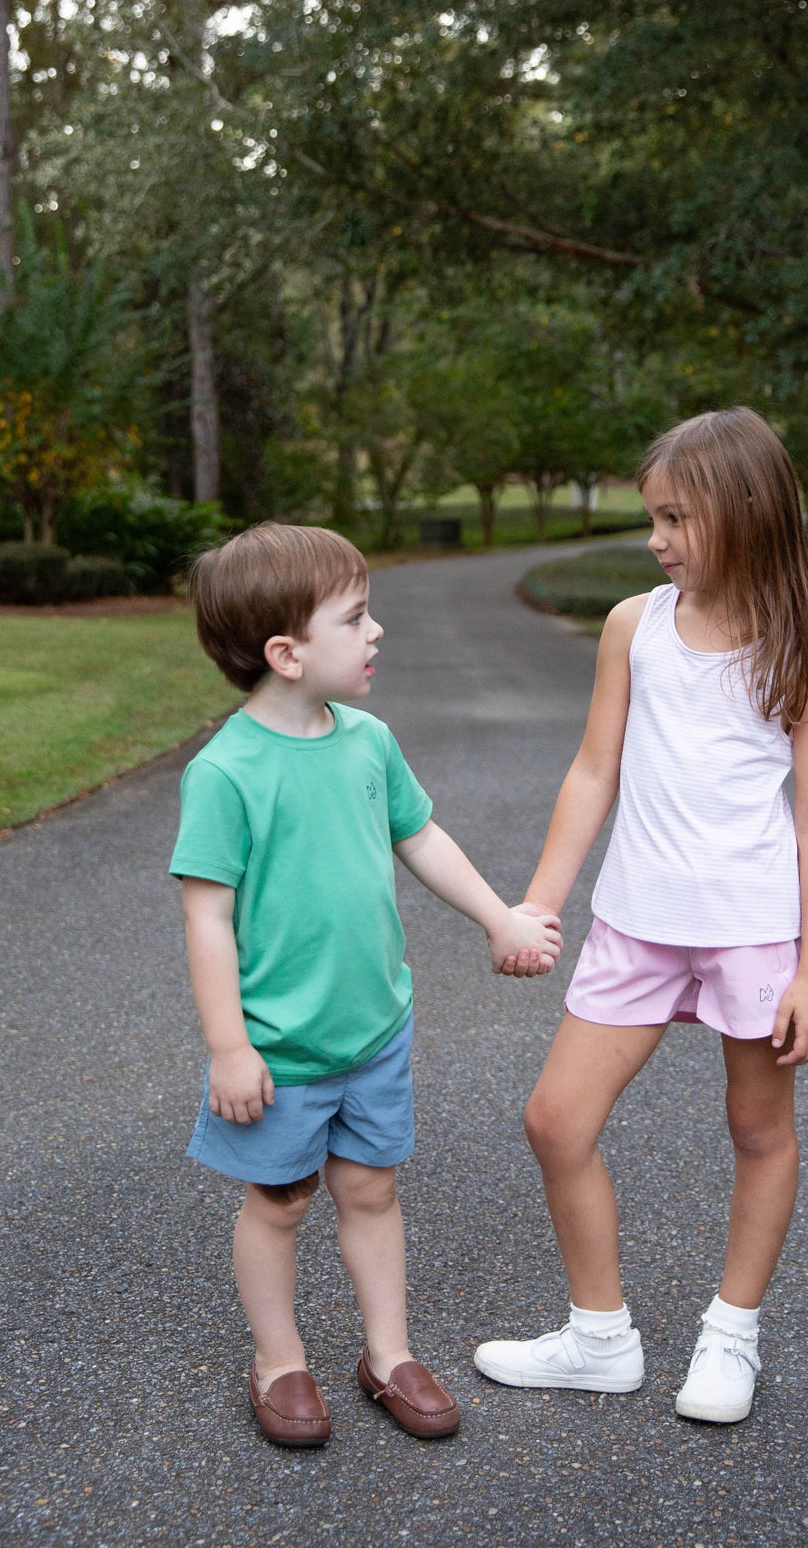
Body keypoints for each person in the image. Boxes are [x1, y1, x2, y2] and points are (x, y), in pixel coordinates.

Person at [477, 407, 808, 1424]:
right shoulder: (632, 625)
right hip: (634, 925)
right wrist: (541, 899)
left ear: (742, 517)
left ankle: (731, 1332)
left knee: (758, 1127)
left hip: (753, 934)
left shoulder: (802, 646)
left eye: (674, 518)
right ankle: (599, 1336)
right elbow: (594, 768)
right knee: (555, 1119)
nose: (656, 537)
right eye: (653, 517)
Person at [171, 522, 561, 1449]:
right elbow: (206, 918)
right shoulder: (225, 772)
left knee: (372, 1191)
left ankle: (387, 1353)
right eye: (355, 617)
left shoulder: (368, 740)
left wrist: (501, 917)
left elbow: (420, 838)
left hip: (375, 1029)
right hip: (280, 1049)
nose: (378, 630)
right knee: (279, 1202)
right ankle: (279, 1358)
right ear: (286, 652)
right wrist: (229, 1046)